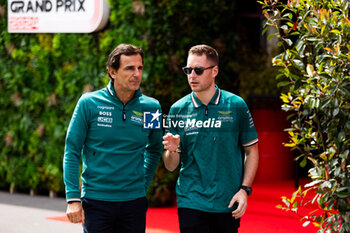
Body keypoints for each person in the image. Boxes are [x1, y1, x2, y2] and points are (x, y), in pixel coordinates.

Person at [63, 44, 162, 233]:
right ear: (112, 72)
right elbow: (72, 149)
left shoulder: (151, 107)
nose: (137, 74)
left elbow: (155, 148)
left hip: (134, 202)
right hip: (97, 201)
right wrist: (73, 198)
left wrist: (143, 183)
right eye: (129, 68)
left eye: (140, 68)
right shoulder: (89, 103)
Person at [162, 44, 259, 233]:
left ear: (215, 71)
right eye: (188, 70)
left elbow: (251, 150)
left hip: (227, 200)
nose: (192, 76)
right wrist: (171, 150)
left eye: (198, 70)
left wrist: (245, 190)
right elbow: (171, 165)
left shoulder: (236, 105)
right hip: (190, 199)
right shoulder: (177, 109)